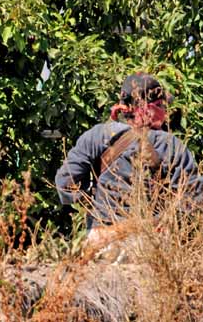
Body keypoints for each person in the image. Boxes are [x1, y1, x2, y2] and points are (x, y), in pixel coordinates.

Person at [54, 72, 203, 257]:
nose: (166, 111)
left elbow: (65, 183)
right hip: (146, 246)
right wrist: (160, 219)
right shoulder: (170, 144)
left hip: (98, 243)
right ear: (147, 108)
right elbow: (194, 201)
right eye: (161, 105)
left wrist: (97, 207)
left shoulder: (97, 135)